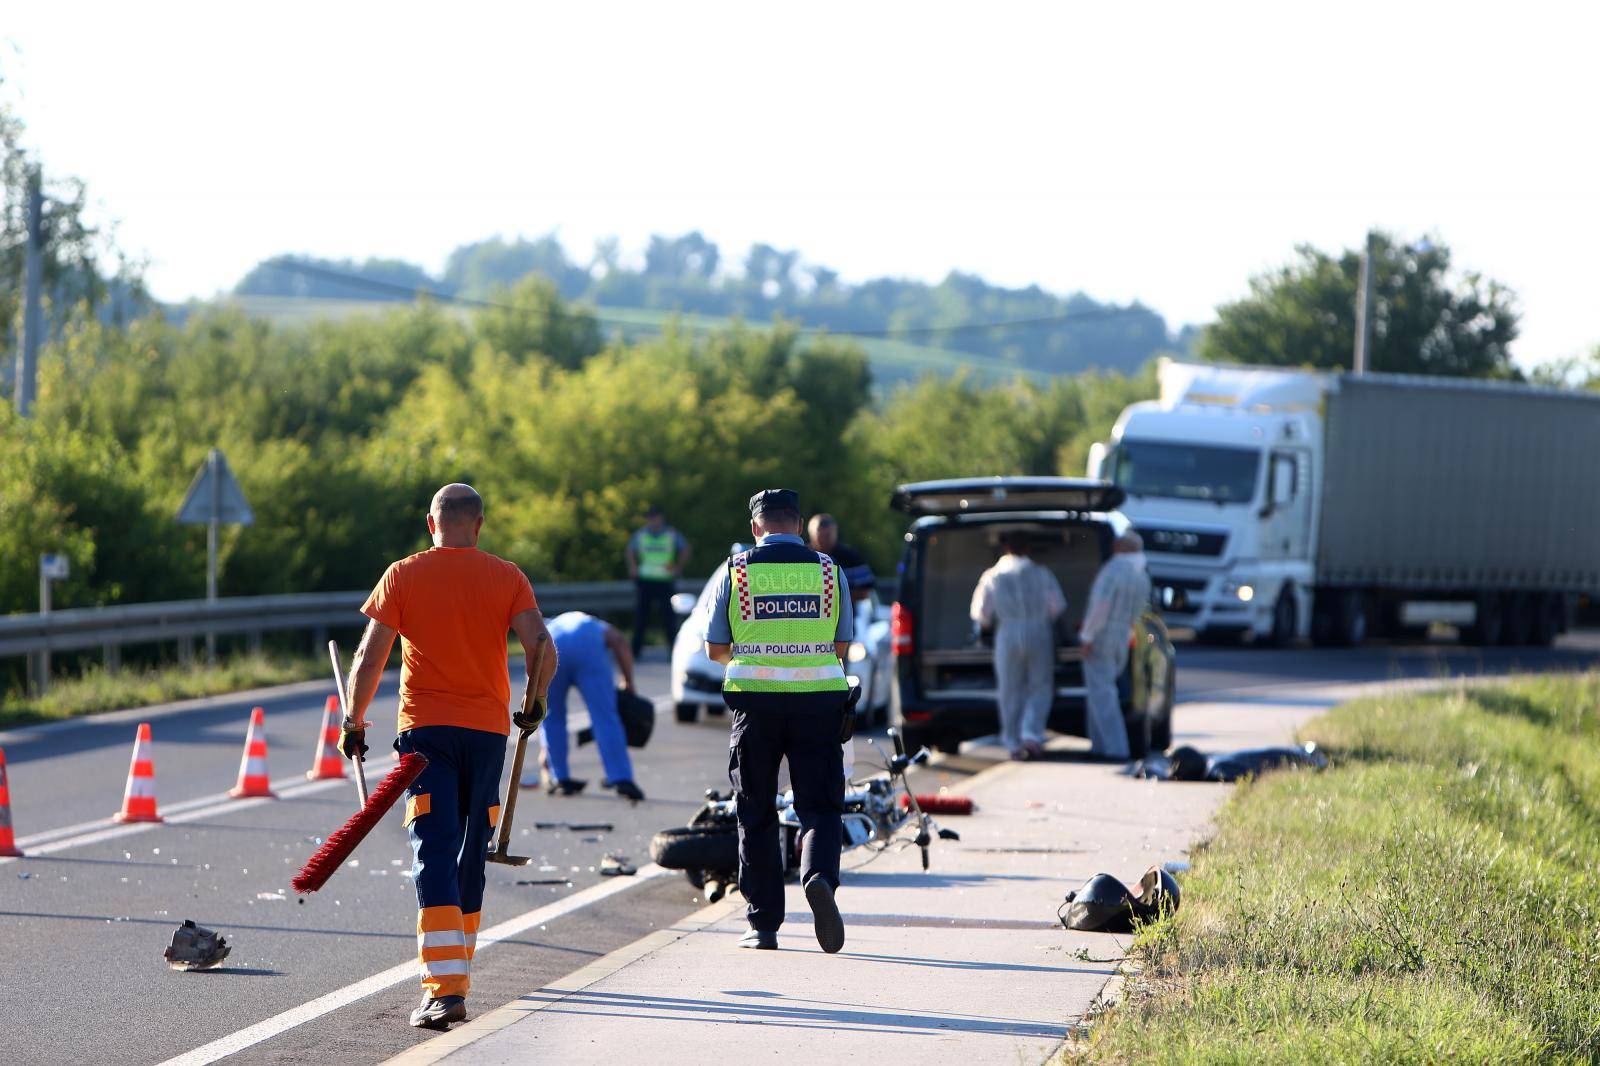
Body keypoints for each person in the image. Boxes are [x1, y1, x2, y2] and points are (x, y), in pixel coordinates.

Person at [342, 483, 556, 1031]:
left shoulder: (404, 574)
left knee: (434, 849)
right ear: (478, 525)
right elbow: (541, 646)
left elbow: (370, 655)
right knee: (470, 853)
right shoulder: (507, 576)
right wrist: (534, 705)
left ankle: (444, 990)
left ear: (429, 523)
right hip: (487, 733)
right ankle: (453, 978)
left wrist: (354, 721)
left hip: (426, 733)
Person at [704, 488, 853, 954]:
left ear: (756, 527)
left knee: (756, 811)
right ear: (799, 522)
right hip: (818, 706)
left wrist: (755, 650)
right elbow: (841, 647)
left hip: (755, 708)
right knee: (821, 806)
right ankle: (818, 876)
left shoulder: (737, 570)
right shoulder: (830, 571)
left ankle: (763, 924)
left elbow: (714, 649)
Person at [519, 611, 645, 802]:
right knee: (605, 716)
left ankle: (558, 776)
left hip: (554, 646)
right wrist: (628, 680)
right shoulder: (594, 624)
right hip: (588, 647)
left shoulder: (551, 627)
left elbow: (535, 656)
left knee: (551, 716)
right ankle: (621, 778)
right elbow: (619, 641)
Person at [970, 532, 1066, 760]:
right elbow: (1057, 607)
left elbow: (981, 613)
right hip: (1039, 630)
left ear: (1005, 548)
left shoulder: (993, 575)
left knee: (1009, 687)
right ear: (1028, 549)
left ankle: (1012, 741)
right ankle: (1031, 732)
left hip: (1008, 632)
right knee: (1040, 684)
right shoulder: (1042, 574)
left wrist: (985, 629)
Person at [1078, 531, 1152, 761]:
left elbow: (1100, 606)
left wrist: (1087, 636)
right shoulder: (1141, 575)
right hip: (1123, 635)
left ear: (1120, 547)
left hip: (1103, 636)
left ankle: (1114, 749)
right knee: (1103, 692)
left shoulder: (1113, 570)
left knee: (1102, 694)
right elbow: (1140, 610)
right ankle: (1099, 747)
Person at [625, 505, 691, 656]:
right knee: (641, 618)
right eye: (650, 517)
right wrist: (633, 567)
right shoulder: (641, 535)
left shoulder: (671, 534)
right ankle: (635, 652)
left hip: (664, 580)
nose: (653, 520)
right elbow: (630, 550)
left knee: (669, 619)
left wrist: (678, 567)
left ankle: (673, 651)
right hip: (645, 580)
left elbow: (685, 549)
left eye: (655, 517)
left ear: (661, 518)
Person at [807, 513, 875, 605]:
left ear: (835, 532)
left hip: (842, 614)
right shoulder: (802, 556)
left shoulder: (850, 557)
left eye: (828, 534)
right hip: (808, 615)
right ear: (811, 534)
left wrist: (831, 596)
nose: (825, 539)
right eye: (819, 532)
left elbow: (865, 592)